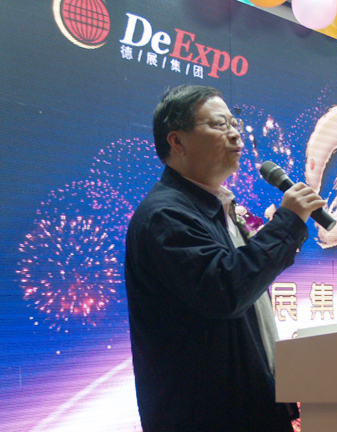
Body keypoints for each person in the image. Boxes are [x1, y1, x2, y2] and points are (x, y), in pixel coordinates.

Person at [125, 85, 326, 431]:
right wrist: (288, 223)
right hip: (206, 415)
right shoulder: (165, 215)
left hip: (247, 404)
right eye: (219, 125)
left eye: (234, 124)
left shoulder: (218, 207)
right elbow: (225, 290)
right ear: (177, 141)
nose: (235, 134)